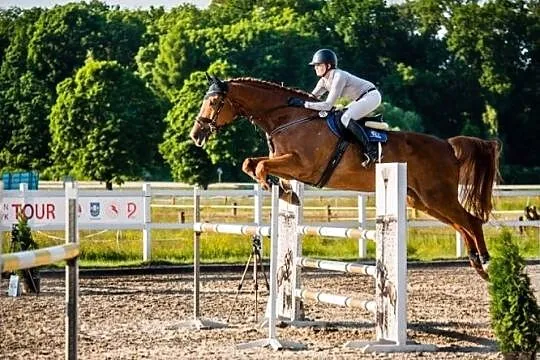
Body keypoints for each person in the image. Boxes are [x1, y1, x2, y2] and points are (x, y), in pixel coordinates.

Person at [287, 49, 381, 167]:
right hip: (359, 99)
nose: (315, 68)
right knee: (338, 116)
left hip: (371, 96)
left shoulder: (338, 75)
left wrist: (303, 104)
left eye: (318, 65)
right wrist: (294, 99)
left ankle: (372, 150)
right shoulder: (323, 81)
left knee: (345, 117)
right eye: (315, 65)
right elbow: (311, 97)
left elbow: (327, 105)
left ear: (328, 65)